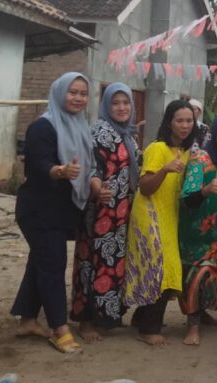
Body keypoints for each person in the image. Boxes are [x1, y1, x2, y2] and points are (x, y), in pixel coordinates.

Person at [12, 72, 93, 354]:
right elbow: (38, 164)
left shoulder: (80, 127)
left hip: (60, 211)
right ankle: (59, 329)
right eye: (73, 92)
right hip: (38, 210)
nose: (78, 98)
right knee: (53, 265)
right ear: (59, 93)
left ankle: (27, 320)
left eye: (83, 93)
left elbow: (89, 164)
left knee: (41, 261)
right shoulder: (42, 127)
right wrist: (60, 170)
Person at [71, 82, 138, 342]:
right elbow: (92, 168)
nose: (121, 108)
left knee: (111, 264)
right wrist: (98, 190)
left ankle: (105, 315)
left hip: (120, 214)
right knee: (92, 263)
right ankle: (85, 321)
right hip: (99, 211)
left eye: (126, 102)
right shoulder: (99, 132)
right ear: (106, 106)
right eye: (115, 103)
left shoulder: (127, 133)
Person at [124, 100, 194, 346]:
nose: (184, 125)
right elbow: (145, 187)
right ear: (169, 123)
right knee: (159, 269)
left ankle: (141, 318)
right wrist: (164, 170)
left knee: (166, 268)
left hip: (170, 217)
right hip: (150, 214)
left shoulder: (187, 151)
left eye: (189, 121)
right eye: (179, 120)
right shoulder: (157, 148)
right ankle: (148, 328)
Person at [178, 112, 217, 345]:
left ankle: (202, 313)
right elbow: (187, 198)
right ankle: (192, 327)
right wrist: (204, 191)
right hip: (195, 231)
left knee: (214, 275)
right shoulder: (199, 159)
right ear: (214, 132)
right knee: (195, 275)